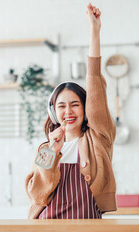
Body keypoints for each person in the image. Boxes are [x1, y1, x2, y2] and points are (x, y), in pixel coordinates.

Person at [25, 3, 116, 219]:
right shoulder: (46, 149)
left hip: (87, 231)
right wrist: (52, 151)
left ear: (86, 109)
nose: (69, 112)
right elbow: (36, 194)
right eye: (61, 106)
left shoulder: (98, 139)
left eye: (75, 104)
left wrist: (95, 30)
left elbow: (94, 85)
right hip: (47, 228)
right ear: (53, 112)